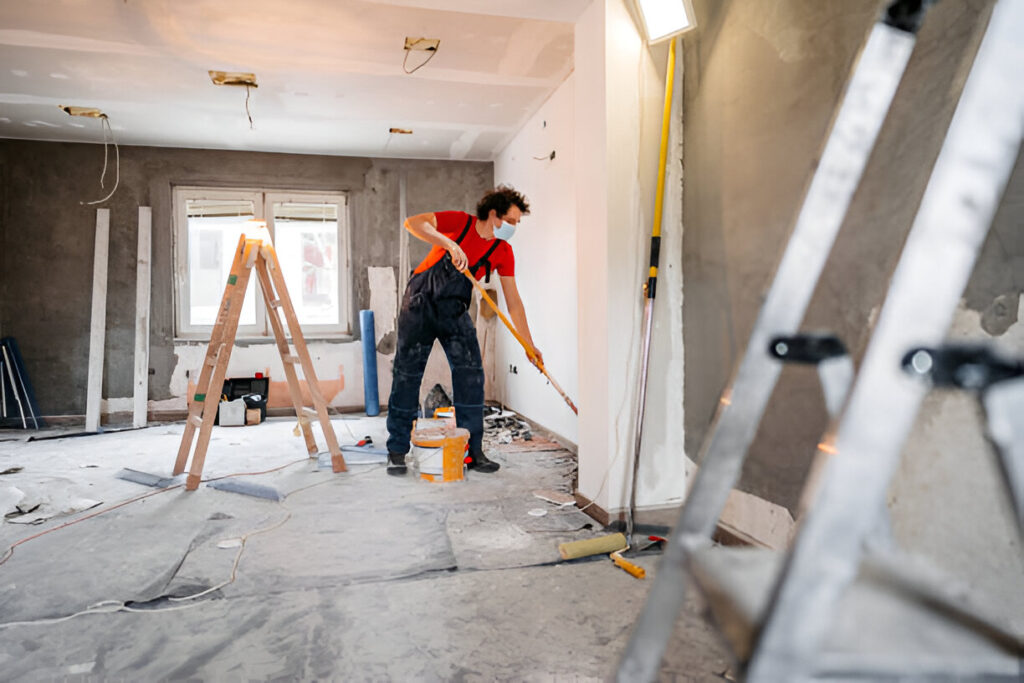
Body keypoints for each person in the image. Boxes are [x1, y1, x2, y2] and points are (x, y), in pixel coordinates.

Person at [385, 185, 543, 476]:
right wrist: (448, 243)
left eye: (516, 223)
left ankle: (474, 451)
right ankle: (396, 450)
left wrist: (528, 344)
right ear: (493, 215)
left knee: (471, 374)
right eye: (511, 221)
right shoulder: (460, 223)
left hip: (453, 310)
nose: (513, 228)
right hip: (419, 304)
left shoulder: (502, 251)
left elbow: (514, 303)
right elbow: (413, 223)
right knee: (407, 374)